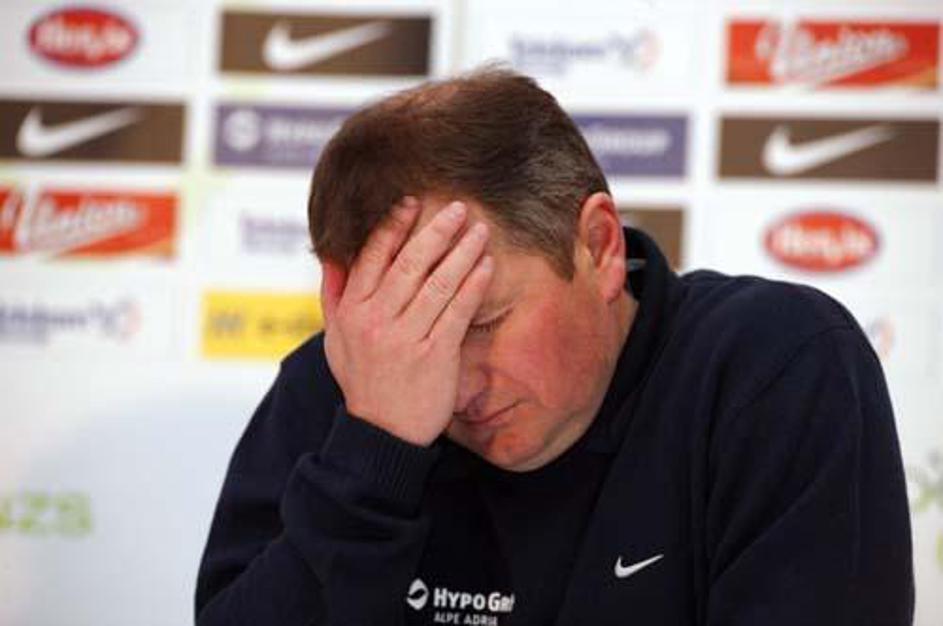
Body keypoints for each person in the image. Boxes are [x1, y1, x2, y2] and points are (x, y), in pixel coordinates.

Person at [195, 68, 914, 625]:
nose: (451, 388)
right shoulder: (351, 385)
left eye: (482, 323)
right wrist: (375, 451)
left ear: (598, 246)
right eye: (417, 331)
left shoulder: (774, 367)